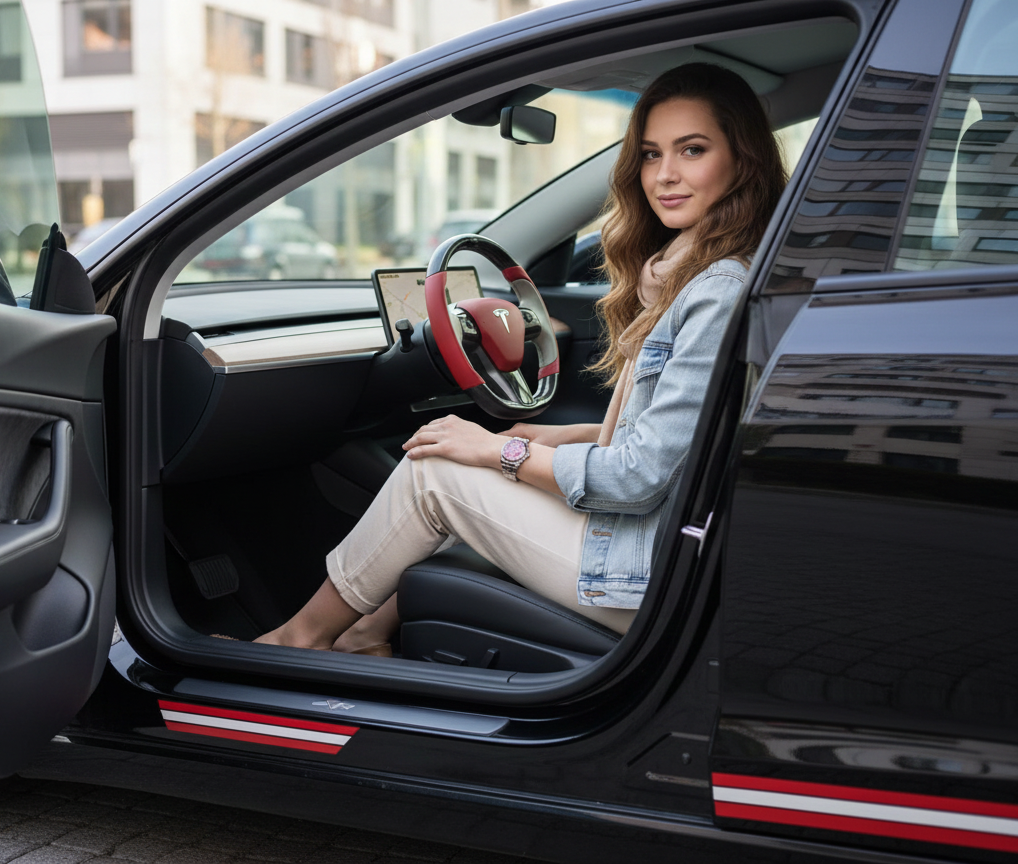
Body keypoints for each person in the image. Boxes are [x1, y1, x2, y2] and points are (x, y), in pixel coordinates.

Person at [256, 63, 787, 655]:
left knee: (433, 472)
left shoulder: (715, 290)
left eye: (692, 150)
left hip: (647, 578)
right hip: (663, 551)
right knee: (469, 464)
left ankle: (295, 640)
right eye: (649, 154)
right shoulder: (704, 276)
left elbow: (637, 480)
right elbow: (682, 436)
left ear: (742, 161)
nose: (664, 175)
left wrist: (503, 451)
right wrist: (549, 439)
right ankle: (361, 637)